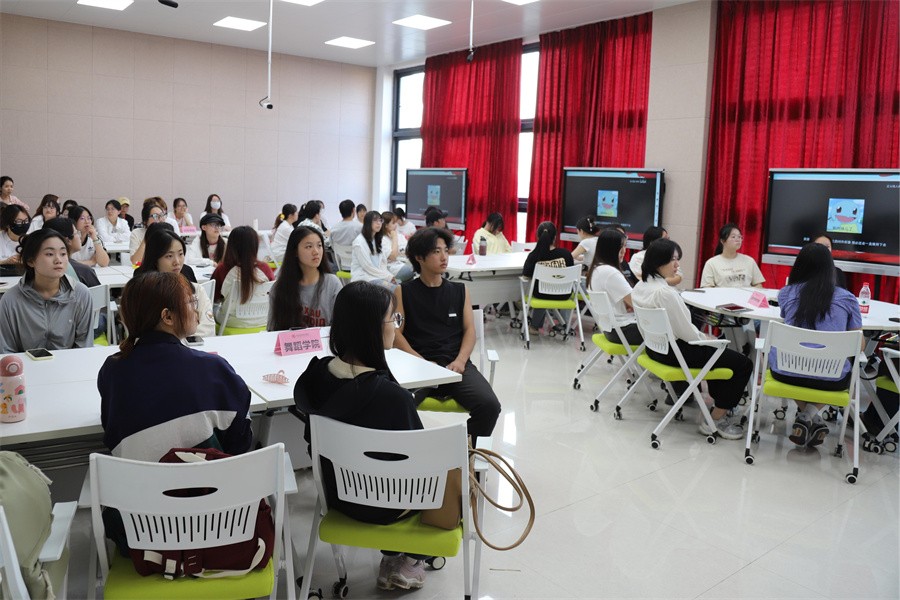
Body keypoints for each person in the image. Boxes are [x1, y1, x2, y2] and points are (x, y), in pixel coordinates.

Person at [294, 281, 429, 591]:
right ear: (372, 328)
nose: (396, 326)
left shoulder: (316, 377)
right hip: (387, 505)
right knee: (451, 467)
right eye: (393, 319)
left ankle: (392, 557)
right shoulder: (393, 398)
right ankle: (411, 560)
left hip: (337, 498)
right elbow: (419, 468)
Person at [98, 271, 252, 461]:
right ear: (168, 316)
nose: (197, 311)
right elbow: (241, 442)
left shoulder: (112, 370)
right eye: (191, 303)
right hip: (209, 479)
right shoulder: (212, 369)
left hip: (136, 479)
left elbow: (112, 430)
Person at [632, 238, 752, 440]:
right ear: (658, 262)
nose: (677, 265)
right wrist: (707, 338)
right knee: (743, 363)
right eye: (673, 260)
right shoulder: (665, 293)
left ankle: (718, 405)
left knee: (718, 355)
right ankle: (715, 419)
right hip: (677, 353)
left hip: (655, 350)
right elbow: (687, 333)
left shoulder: (640, 287)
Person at [394, 227, 501, 440]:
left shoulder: (460, 290)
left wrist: (461, 360)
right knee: (394, 405)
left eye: (445, 250)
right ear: (419, 257)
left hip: (455, 366)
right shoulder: (404, 291)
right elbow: (396, 334)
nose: (444, 257)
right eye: (436, 251)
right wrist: (420, 362)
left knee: (490, 406)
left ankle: (463, 452)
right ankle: (409, 452)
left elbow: (470, 330)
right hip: (418, 367)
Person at [770, 242, 862, 447]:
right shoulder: (848, 299)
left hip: (787, 372)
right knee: (846, 368)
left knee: (781, 358)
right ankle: (812, 416)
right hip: (832, 378)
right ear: (830, 268)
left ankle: (806, 416)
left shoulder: (786, 293)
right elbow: (859, 345)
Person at [0, 229, 92, 353]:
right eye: (49, 254)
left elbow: (84, 347)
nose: (58, 260)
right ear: (31, 261)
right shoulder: (10, 300)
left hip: (70, 363)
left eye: (63, 253)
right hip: (25, 364)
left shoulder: (81, 294)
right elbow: (6, 351)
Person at [135, 227, 216, 338]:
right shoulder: (144, 291)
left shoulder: (196, 290)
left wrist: (179, 340)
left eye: (180, 254)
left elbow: (208, 328)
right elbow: (141, 332)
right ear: (155, 259)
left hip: (190, 346)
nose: (177, 262)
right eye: (169, 256)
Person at [268, 226, 341, 330]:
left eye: (319, 245)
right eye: (309, 246)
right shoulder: (279, 288)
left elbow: (341, 327)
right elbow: (272, 329)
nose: (316, 251)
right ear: (295, 251)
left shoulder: (332, 283)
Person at [213, 226, 275, 329]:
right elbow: (273, 294)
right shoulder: (265, 268)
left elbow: (213, 298)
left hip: (231, 321)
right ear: (255, 245)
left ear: (231, 245)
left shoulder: (223, 269)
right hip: (263, 320)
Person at [587, 228, 642, 345]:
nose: (624, 251)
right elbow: (636, 303)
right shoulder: (610, 272)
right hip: (623, 330)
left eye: (625, 246)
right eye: (620, 246)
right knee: (669, 331)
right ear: (610, 248)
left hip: (610, 329)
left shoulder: (597, 269)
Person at [522, 221, 575, 333]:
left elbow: (526, 275)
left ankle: (534, 327)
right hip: (564, 294)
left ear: (538, 237)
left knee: (540, 288)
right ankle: (564, 325)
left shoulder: (534, 256)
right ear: (555, 238)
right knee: (547, 287)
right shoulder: (566, 254)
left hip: (541, 294)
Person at [700, 223, 765, 288]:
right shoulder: (711, 263)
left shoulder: (749, 261)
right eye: (733, 237)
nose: (738, 239)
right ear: (722, 241)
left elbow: (758, 284)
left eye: (739, 237)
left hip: (745, 294)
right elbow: (707, 288)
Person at [41, 217, 101, 287]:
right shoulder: (84, 271)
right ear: (68, 240)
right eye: (76, 233)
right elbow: (99, 293)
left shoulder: (40, 267)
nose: (79, 236)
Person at [351, 211, 396, 289]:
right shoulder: (359, 242)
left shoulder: (377, 239)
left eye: (380, 220)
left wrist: (388, 276)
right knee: (394, 289)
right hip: (364, 278)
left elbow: (382, 263)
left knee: (398, 286)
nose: (379, 223)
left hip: (377, 276)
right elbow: (367, 267)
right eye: (375, 220)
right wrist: (388, 277)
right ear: (368, 223)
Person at [129, 200, 166, 265]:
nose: (160, 219)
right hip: (145, 269)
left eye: (161, 215)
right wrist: (148, 235)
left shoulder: (168, 232)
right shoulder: (137, 233)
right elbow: (135, 262)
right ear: (145, 221)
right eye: (155, 216)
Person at [381, 211, 414, 282]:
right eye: (393, 223)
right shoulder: (383, 239)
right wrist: (394, 237)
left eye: (395, 222)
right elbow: (393, 256)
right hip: (391, 267)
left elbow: (408, 250)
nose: (396, 225)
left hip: (403, 261)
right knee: (412, 269)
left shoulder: (399, 235)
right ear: (386, 225)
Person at [329, 199, 363, 270]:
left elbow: (332, 246)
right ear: (353, 210)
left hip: (342, 266)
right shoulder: (360, 227)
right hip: (359, 266)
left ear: (340, 212)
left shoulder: (333, 228)